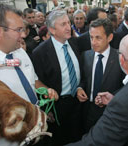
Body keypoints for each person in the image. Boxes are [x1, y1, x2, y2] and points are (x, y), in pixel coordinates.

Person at [66, 31, 128, 146]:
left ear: (122, 60)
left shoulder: (122, 104)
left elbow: (95, 143)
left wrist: (118, 100)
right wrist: (114, 99)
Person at [32, 10, 82, 146]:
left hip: (78, 102)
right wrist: (46, 110)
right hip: (57, 107)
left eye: (69, 23)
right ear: (52, 30)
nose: (68, 27)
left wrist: (80, 87)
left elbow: (80, 70)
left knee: (77, 137)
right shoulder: (40, 53)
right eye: (63, 24)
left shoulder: (74, 43)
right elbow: (37, 83)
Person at [77, 18, 124, 133]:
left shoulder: (120, 58)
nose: (93, 42)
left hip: (111, 112)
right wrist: (79, 88)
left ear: (110, 38)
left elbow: (126, 86)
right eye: (91, 37)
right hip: (88, 110)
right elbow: (83, 79)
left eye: (98, 38)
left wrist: (111, 97)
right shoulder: (86, 56)